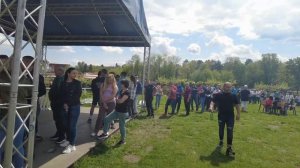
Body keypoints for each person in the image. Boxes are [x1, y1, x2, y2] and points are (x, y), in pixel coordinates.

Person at [0, 57, 31, 167]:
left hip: (12, 112)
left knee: (8, 142)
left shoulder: (14, 77)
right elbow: (28, 93)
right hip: (18, 112)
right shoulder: (21, 77)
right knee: (17, 144)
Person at [210, 82, 240, 157]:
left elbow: (237, 105)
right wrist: (211, 107)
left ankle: (229, 148)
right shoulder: (218, 95)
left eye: (230, 87)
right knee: (221, 129)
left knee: (230, 131)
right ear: (223, 87)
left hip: (230, 116)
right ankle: (221, 140)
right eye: (227, 87)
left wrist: (238, 114)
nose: (228, 88)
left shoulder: (234, 95)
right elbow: (212, 102)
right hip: (221, 116)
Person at [98, 80, 130, 145]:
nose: (120, 85)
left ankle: (123, 140)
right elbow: (117, 98)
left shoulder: (127, 92)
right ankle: (105, 133)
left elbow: (121, 101)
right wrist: (116, 99)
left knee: (121, 126)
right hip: (117, 110)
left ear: (124, 84)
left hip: (122, 112)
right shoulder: (121, 91)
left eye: (121, 84)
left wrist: (115, 99)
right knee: (106, 119)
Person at [22, 56, 46, 141]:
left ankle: (32, 137)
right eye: (25, 62)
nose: (26, 64)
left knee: (32, 120)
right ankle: (23, 136)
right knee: (22, 121)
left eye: (29, 63)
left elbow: (43, 90)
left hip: (33, 102)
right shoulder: (16, 75)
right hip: (20, 102)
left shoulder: (38, 77)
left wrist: (33, 94)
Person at [59, 67, 82, 154]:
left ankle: (72, 145)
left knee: (72, 126)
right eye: (73, 73)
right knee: (65, 125)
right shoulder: (63, 83)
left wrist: (68, 104)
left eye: (76, 73)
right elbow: (61, 95)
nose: (75, 75)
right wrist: (64, 104)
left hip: (74, 107)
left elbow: (77, 95)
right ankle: (68, 140)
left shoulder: (77, 83)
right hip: (64, 106)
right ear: (68, 73)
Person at [48, 66, 65, 143]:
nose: (54, 72)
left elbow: (60, 91)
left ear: (61, 71)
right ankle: (58, 133)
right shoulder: (56, 79)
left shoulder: (62, 79)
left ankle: (62, 137)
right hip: (54, 103)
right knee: (57, 120)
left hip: (59, 103)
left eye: (56, 71)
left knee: (60, 120)